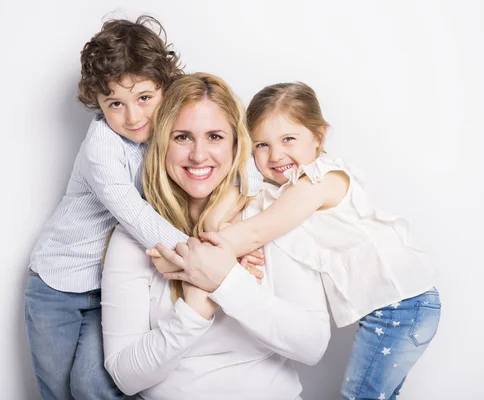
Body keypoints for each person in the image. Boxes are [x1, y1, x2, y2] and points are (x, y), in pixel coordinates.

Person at [24, 16, 261, 400]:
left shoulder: (170, 133)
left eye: (144, 98)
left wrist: (237, 227)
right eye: (115, 103)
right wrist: (199, 256)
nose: (133, 117)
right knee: (56, 389)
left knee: (93, 384)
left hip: (107, 287)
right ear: (98, 104)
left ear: (166, 86)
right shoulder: (102, 145)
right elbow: (134, 214)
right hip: (57, 282)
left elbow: (231, 157)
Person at [161, 81, 441, 400]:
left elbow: (257, 230)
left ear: (319, 137)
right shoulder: (279, 190)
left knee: (359, 394)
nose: (276, 154)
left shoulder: (321, 181)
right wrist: (232, 244)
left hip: (403, 305)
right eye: (261, 145)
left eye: (288, 139)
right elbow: (222, 215)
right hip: (390, 309)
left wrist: (197, 256)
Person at [101, 73, 331, 400]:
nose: (198, 155)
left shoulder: (270, 217)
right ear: (162, 142)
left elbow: (312, 345)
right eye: (182, 137)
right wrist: (195, 307)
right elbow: (125, 375)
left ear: (237, 144)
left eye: (214, 136)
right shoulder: (132, 237)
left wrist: (224, 280)